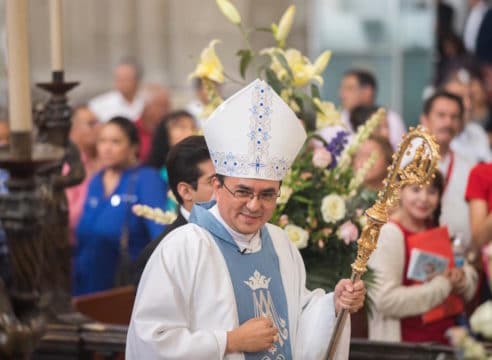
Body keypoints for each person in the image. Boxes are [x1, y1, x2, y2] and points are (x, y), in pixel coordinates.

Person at [127, 79, 365, 359]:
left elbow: (297, 316)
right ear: (217, 186)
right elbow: (152, 341)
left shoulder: (279, 241)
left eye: (267, 195)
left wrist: (333, 307)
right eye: (242, 191)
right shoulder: (183, 247)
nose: (254, 205)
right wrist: (229, 341)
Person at [368, 172, 478, 343]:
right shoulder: (390, 234)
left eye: (432, 192)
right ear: (400, 191)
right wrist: (443, 285)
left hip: (447, 341)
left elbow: (464, 273)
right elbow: (385, 300)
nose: (424, 198)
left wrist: (461, 278)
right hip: (407, 347)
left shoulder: (435, 228)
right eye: (416, 189)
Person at [74, 117, 167, 296]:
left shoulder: (147, 179)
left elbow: (161, 236)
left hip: (124, 286)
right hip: (86, 284)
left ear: (133, 147)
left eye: (115, 142)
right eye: (102, 141)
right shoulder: (96, 180)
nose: (107, 148)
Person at [134, 135, 215, 284]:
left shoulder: (241, 232)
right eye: (214, 181)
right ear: (186, 191)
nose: (226, 188)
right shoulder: (159, 254)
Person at [420, 90, 475, 245]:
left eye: (454, 117)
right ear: (425, 119)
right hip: (414, 251)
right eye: (441, 115)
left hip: (459, 255)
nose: (448, 123)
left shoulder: (470, 166)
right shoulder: (406, 160)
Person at [338, 69, 406, 150]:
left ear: (368, 91)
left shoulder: (390, 118)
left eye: (349, 88)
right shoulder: (339, 119)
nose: (342, 95)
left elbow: (400, 153)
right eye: (342, 88)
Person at [146, 110, 197, 210]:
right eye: (182, 127)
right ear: (166, 134)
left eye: (193, 127)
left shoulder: (203, 167)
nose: (190, 132)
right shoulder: (158, 174)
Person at [65, 105, 101, 245]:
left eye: (99, 122)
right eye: (91, 124)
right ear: (73, 129)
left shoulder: (105, 162)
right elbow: (69, 217)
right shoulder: (66, 166)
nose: (99, 128)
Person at [441, 68, 491, 162]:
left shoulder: (477, 132)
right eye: (459, 98)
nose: (468, 105)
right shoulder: (426, 141)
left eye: (470, 97)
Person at [88, 58, 145, 122]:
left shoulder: (146, 102)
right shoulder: (98, 105)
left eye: (126, 78)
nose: (122, 83)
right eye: (119, 78)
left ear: (137, 80)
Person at [135, 84, 172, 162]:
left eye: (168, 106)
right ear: (146, 107)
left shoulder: (171, 131)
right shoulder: (131, 131)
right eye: (162, 106)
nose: (167, 110)